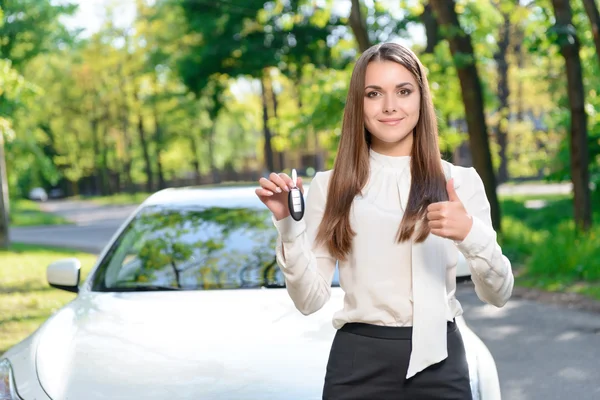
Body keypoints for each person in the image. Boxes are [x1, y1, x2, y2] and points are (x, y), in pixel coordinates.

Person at [255, 42, 514, 400]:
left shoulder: (460, 182)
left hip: (441, 361)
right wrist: (288, 224)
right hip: (357, 365)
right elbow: (309, 300)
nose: (390, 106)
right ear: (357, 105)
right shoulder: (329, 186)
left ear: (421, 99)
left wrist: (471, 234)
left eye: (403, 91)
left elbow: (498, 295)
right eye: (374, 93)